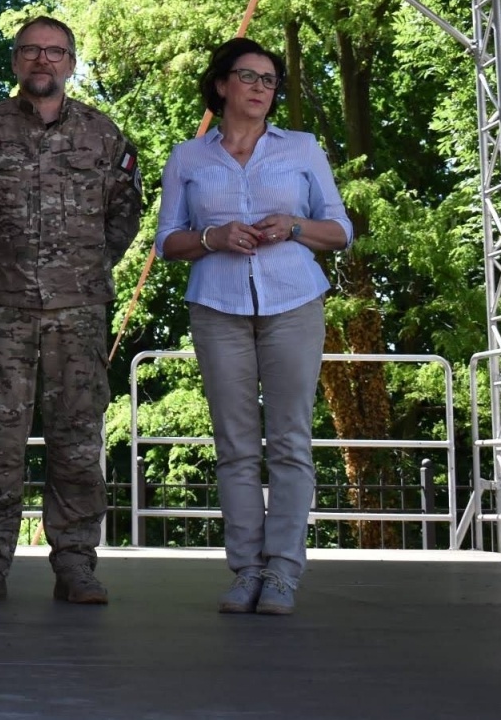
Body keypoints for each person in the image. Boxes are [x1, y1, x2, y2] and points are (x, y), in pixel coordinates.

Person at [154, 37, 351, 616]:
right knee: (235, 445)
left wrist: (293, 226)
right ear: (222, 85)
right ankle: (245, 571)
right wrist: (213, 237)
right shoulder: (187, 158)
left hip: (294, 301)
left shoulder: (303, 148)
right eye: (249, 77)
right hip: (217, 307)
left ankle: (285, 572)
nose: (262, 88)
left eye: (270, 80)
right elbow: (168, 241)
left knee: (291, 441)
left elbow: (340, 229)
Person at [0, 16, 141, 606]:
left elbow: (125, 213)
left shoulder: (103, 134)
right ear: (15, 62)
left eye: (55, 52)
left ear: (71, 62)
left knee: (79, 444)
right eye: (31, 52)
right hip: (0, 310)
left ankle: (76, 564)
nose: (43, 61)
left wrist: (82, 271)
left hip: (79, 313)